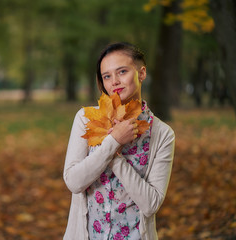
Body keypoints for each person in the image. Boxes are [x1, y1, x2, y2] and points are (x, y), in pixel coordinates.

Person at [63, 42, 175, 240]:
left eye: (122, 71)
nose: (114, 81)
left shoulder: (162, 134)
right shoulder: (86, 119)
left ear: (141, 73)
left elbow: (151, 205)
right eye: (107, 76)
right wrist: (113, 141)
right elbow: (74, 182)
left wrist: (114, 154)